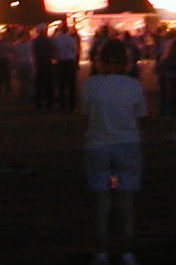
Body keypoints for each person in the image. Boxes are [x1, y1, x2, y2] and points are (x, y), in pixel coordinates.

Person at [81, 38, 147, 265]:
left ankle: (101, 251)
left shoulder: (91, 85)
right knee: (126, 200)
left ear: (99, 60)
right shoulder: (133, 85)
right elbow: (140, 115)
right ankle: (127, 251)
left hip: (98, 144)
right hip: (128, 143)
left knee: (102, 200)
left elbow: (85, 113)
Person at [54, 21, 80, 112]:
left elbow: (54, 49)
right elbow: (75, 51)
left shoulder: (57, 39)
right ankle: (71, 105)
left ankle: (62, 105)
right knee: (71, 85)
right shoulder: (71, 39)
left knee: (61, 84)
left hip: (61, 62)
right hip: (70, 62)